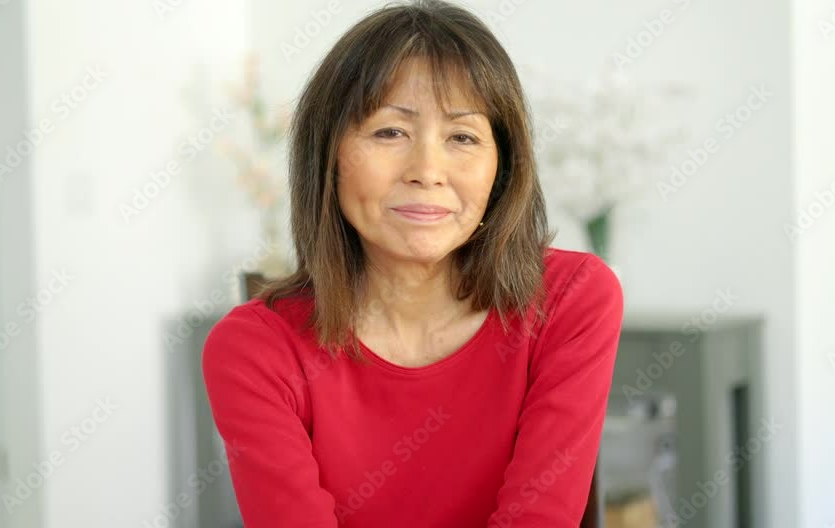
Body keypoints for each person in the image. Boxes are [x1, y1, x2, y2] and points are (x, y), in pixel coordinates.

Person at [201, 1, 624, 526]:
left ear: (502, 167)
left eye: (463, 137)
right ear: (326, 157)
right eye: (389, 132)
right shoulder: (253, 351)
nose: (427, 170)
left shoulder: (573, 299)